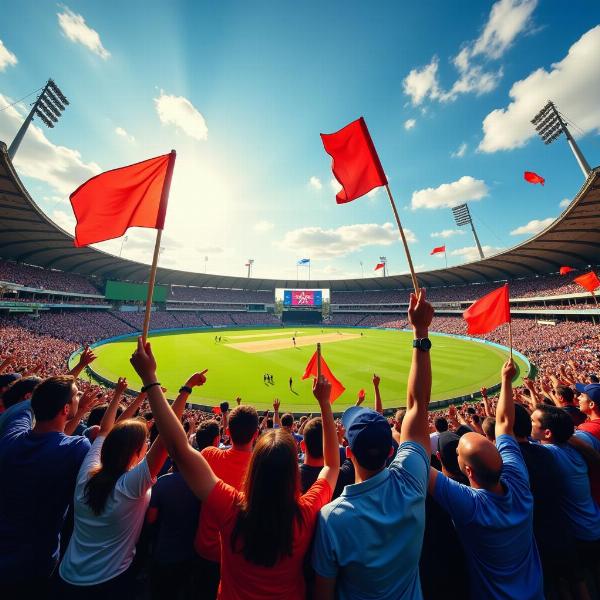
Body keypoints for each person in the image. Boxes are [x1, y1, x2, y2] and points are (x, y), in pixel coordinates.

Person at [130, 337, 339, 600]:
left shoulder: (232, 507)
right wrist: (325, 403)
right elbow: (332, 464)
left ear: (255, 468)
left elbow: (179, 449)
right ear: (293, 472)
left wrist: (150, 379)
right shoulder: (306, 512)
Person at [312, 289, 434, 599]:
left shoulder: (332, 518)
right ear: (392, 451)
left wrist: (324, 404)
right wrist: (420, 333)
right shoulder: (411, 479)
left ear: (348, 452)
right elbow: (418, 405)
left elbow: (323, 594)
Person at [58, 372, 206, 597]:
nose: (148, 445)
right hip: (109, 583)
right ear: (136, 452)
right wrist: (186, 389)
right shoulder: (130, 487)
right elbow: (166, 435)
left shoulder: (88, 472)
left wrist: (117, 394)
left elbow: (106, 429)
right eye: (145, 443)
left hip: (67, 575)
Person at [429, 360, 543, 599]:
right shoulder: (518, 480)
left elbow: (417, 460)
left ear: (468, 471)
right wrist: (505, 380)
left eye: (459, 452)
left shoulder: (470, 505)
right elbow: (504, 424)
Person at [0, 376, 93, 597]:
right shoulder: (78, 447)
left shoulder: (10, 438)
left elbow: (24, 409)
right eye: (76, 394)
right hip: (35, 561)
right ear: (65, 408)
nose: (80, 396)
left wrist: (68, 403)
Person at [530, 403, 600, 590]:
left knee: (581, 581)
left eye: (532, 421)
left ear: (547, 433)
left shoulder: (547, 453)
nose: (529, 424)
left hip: (580, 535)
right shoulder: (580, 441)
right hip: (594, 521)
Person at [194, 404, 259, 597]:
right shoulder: (261, 467)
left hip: (205, 551)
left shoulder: (208, 455)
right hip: (239, 559)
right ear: (256, 434)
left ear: (228, 431)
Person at [420, 431, 469, 599]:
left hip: (442, 581)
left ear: (438, 456)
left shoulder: (429, 498)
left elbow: (420, 463)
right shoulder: (480, 489)